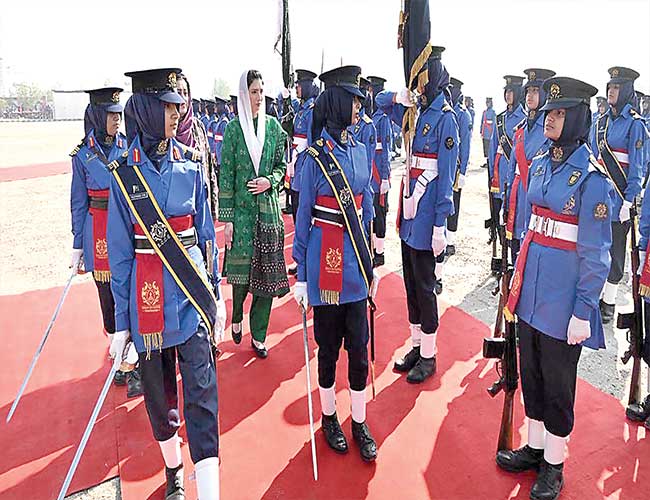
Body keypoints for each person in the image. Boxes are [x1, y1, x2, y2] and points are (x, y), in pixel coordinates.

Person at [108, 68, 226, 500]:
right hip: (147, 305)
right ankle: (173, 470)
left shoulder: (192, 163)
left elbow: (206, 234)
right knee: (160, 402)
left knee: (203, 394)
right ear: (145, 109)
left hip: (191, 300)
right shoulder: (124, 174)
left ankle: (209, 491)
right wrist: (122, 323)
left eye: (179, 104)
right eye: (168, 105)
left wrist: (215, 294)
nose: (178, 113)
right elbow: (121, 255)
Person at [497, 76, 610, 500]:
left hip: (563, 303)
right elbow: (531, 225)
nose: (549, 119)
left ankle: (554, 464)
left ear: (577, 118)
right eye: (549, 111)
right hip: (531, 293)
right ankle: (535, 446)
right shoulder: (542, 161)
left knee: (559, 385)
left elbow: (597, 255)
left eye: (560, 113)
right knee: (532, 374)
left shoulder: (592, 179)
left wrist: (584, 310)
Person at [292, 65, 379, 462]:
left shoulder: (361, 149)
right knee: (327, 349)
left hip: (356, 266)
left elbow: (367, 206)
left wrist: (372, 255)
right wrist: (300, 274)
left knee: (359, 350)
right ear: (338, 102)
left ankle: (358, 420)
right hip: (324, 263)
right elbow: (303, 217)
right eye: (354, 100)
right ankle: (329, 416)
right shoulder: (313, 158)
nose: (360, 106)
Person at [375, 46, 459, 384]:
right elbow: (379, 102)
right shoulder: (416, 112)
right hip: (410, 215)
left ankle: (429, 354)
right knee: (410, 285)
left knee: (424, 288)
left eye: (422, 80)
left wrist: (440, 224)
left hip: (426, 219)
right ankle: (415, 345)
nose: (419, 87)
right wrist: (401, 95)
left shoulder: (446, 119)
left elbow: (446, 179)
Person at [69, 87, 143, 397]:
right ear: (98, 115)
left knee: (131, 291)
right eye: (111, 114)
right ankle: (120, 356)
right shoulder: (81, 154)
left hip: (124, 228)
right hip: (97, 230)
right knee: (108, 298)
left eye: (118, 114)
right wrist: (77, 245)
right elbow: (78, 203)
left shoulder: (129, 146)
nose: (117, 120)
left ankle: (135, 362)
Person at [218, 70, 290, 358]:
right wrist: (227, 219)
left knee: (266, 277)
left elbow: (281, 166)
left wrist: (270, 181)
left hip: (268, 212)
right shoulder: (233, 130)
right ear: (243, 94)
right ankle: (237, 315)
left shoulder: (273, 127)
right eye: (254, 92)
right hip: (242, 214)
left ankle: (259, 334)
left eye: (261, 91)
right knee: (241, 274)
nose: (259, 97)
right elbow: (227, 174)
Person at [590, 67, 644, 324]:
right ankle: (591, 296)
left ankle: (608, 301)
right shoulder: (600, 123)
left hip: (619, 200)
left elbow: (637, 167)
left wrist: (629, 200)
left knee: (616, 254)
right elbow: (592, 158)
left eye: (616, 87)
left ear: (627, 90)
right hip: (597, 198)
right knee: (592, 249)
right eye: (610, 86)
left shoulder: (635, 124)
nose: (611, 91)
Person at [504, 68, 555, 260]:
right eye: (528, 91)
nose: (530, 96)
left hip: (536, 198)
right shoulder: (521, 129)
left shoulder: (551, 130)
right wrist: (507, 197)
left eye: (535, 91)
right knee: (515, 245)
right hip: (517, 194)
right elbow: (512, 168)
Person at [175, 74, 218, 221]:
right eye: (178, 92)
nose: (183, 98)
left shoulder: (197, 127)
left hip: (201, 204)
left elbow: (209, 169)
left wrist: (213, 209)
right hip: (178, 212)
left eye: (185, 93)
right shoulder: (164, 131)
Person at [488, 76, 526, 233]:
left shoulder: (525, 119)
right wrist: (491, 172)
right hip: (498, 175)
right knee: (497, 216)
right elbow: (492, 148)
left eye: (511, 91)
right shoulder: (500, 119)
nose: (508, 95)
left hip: (513, 177)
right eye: (506, 91)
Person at [445, 77, 472, 257]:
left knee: (454, 203)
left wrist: (462, 172)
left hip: (456, 167)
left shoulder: (463, 114)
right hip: (445, 165)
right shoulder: (445, 109)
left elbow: (466, 145)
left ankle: (450, 240)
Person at [368, 75, 392, 267]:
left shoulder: (383, 119)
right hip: (370, 175)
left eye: (371, 90)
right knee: (372, 212)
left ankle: (380, 251)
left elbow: (386, 150)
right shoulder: (371, 117)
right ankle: (372, 248)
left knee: (380, 213)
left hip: (378, 175)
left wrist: (384, 177)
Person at [211, 96, 230, 183]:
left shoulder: (224, 123)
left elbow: (226, 143)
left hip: (222, 160)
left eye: (217, 105)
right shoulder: (220, 121)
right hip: (218, 158)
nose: (215, 107)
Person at [480, 97, 496, 167]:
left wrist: (493, 133)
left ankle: (490, 162)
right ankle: (487, 161)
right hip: (485, 133)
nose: (487, 104)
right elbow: (482, 122)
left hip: (490, 133)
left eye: (488, 102)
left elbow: (494, 123)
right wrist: (481, 131)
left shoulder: (493, 112)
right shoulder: (484, 112)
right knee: (486, 148)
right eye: (486, 102)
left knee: (490, 148)